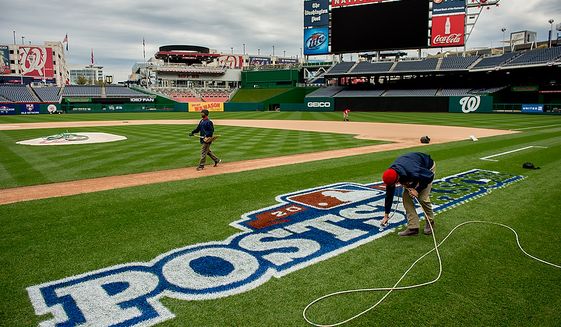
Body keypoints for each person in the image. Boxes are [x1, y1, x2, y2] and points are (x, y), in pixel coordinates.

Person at [380, 152, 436, 236]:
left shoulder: (413, 171)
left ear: (397, 179)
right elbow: (389, 195)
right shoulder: (391, 174)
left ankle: (430, 221)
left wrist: (417, 189)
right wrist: (386, 215)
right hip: (411, 169)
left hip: (427, 169)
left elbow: (429, 176)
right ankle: (413, 227)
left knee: (422, 198)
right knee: (406, 197)